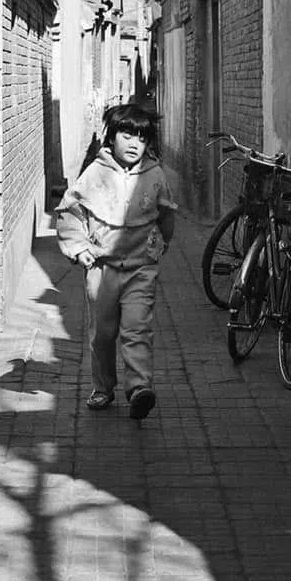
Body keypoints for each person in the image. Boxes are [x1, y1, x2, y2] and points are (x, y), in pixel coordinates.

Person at [55, 104, 177, 420]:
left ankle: (139, 389)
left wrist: (160, 244)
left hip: (141, 268)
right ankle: (103, 387)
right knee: (103, 334)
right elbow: (71, 214)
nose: (134, 143)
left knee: (138, 328)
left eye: (142, 137)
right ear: (112, 136)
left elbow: (166, 215)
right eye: (127, 135)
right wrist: (78, 246)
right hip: (102, 268)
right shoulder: (94, 173)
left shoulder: (155, 174)